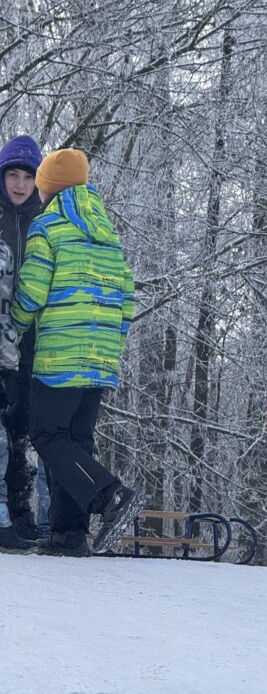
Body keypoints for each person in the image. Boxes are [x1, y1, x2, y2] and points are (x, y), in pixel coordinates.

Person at [10, 148, 140, 556]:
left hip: (61, 354)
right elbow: (127, 298)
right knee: (76, 441)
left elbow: (31, 293)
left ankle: (109, 494)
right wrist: (111, 345)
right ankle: (69, 535)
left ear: (47, 186)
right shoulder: (106, 230)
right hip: (100, 359)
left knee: (47, 435)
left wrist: (11, 327)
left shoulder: (48, 227)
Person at [0, 135, 49, 539]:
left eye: (27, 176)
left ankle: (23, 518)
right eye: (12, 175)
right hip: (0, 338)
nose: (18, 184)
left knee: (23, 431)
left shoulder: (45, 222)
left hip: (33, 342)